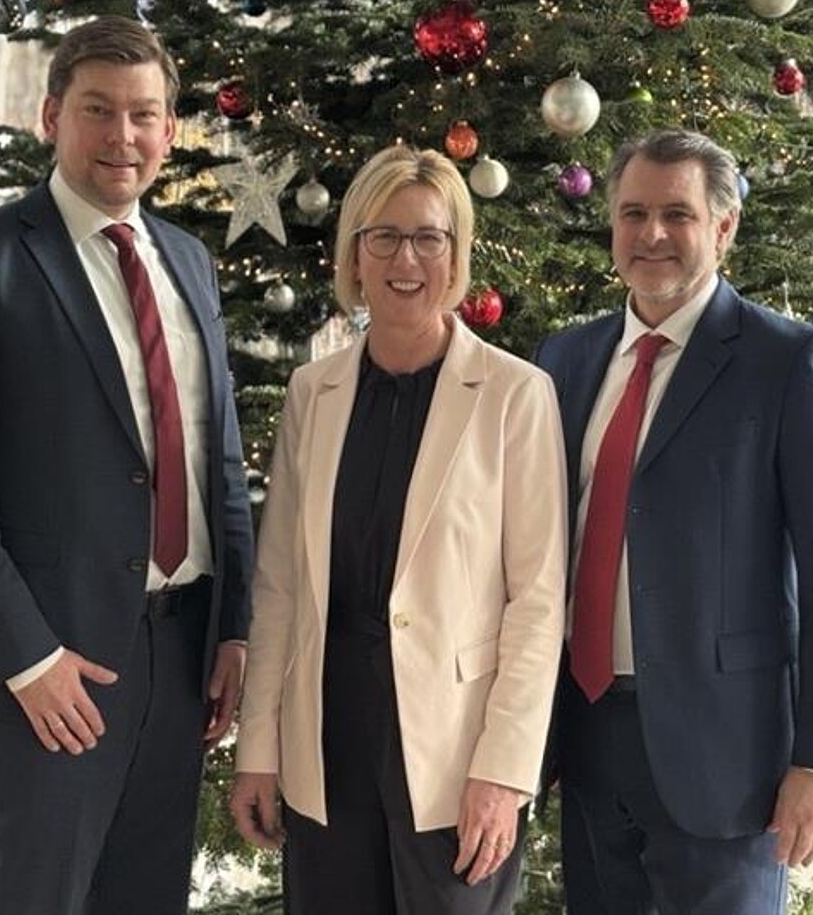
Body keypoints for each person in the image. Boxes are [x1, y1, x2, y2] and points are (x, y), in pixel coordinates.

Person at [0, 16, 254, 915]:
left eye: (144, 115)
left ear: (171, 130)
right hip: (53, 675)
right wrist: (26, 661)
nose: (122, 137)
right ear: (51, 116)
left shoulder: (189, 262)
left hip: (180, 662)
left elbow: (218, 463)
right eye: (98, 110)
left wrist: (235, 630)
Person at [535, 129, 813, 915]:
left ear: (723, 228)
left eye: (676, 215)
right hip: (583, 736)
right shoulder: (565, 360)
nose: (651, 235)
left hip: (729, 758)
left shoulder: (788, 362)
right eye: (632, 214)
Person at [230, 144, 567, 915]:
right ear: (354, 253)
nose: (405, 258)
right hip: (328, 737)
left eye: (428, 237)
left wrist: (505, 772)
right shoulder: (313, 393)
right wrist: (258, 753)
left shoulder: (516, 396)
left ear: (456, 256)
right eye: (382, 236)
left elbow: (539, 602)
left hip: (455, 756)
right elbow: (279, 585)